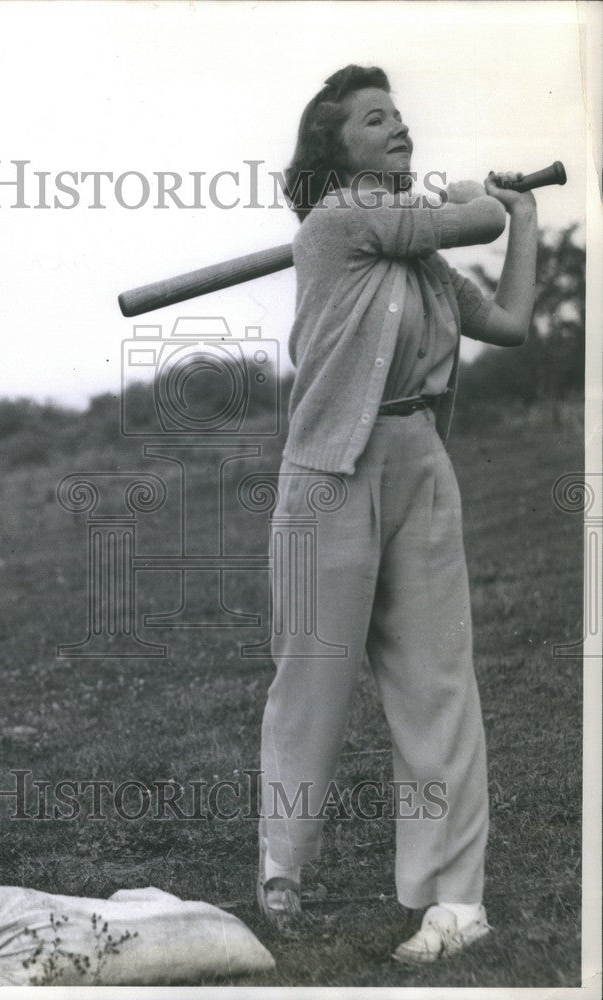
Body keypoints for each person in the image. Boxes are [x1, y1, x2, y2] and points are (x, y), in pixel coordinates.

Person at [257, 65, 537, 964]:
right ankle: (282, 874)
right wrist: (483, 198)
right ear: (336, 147)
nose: (398, 127)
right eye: (376, 120)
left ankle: (455, 903)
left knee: (438, 682)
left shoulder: (416, 259)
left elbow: (510, 322)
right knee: (313, 681)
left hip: (419, 464)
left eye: (400, 115)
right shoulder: (338, 223)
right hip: (326, 474)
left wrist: (524, 218)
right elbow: (474, 214)